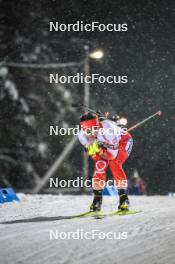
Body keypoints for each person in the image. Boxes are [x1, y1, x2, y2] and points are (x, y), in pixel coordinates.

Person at [78, 111, 133, 212]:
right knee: (100, 165)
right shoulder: (82, 136)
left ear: (97, 126)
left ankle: (124, 198)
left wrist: (101, 148)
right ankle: (97, 199)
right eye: (87, 131)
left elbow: (112, 156)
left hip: (123, 141)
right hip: (107, 148)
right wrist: (96, 150)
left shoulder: (108, 129)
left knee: (114, 164)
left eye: (93, 130)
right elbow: (95, 157)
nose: (90, 134)